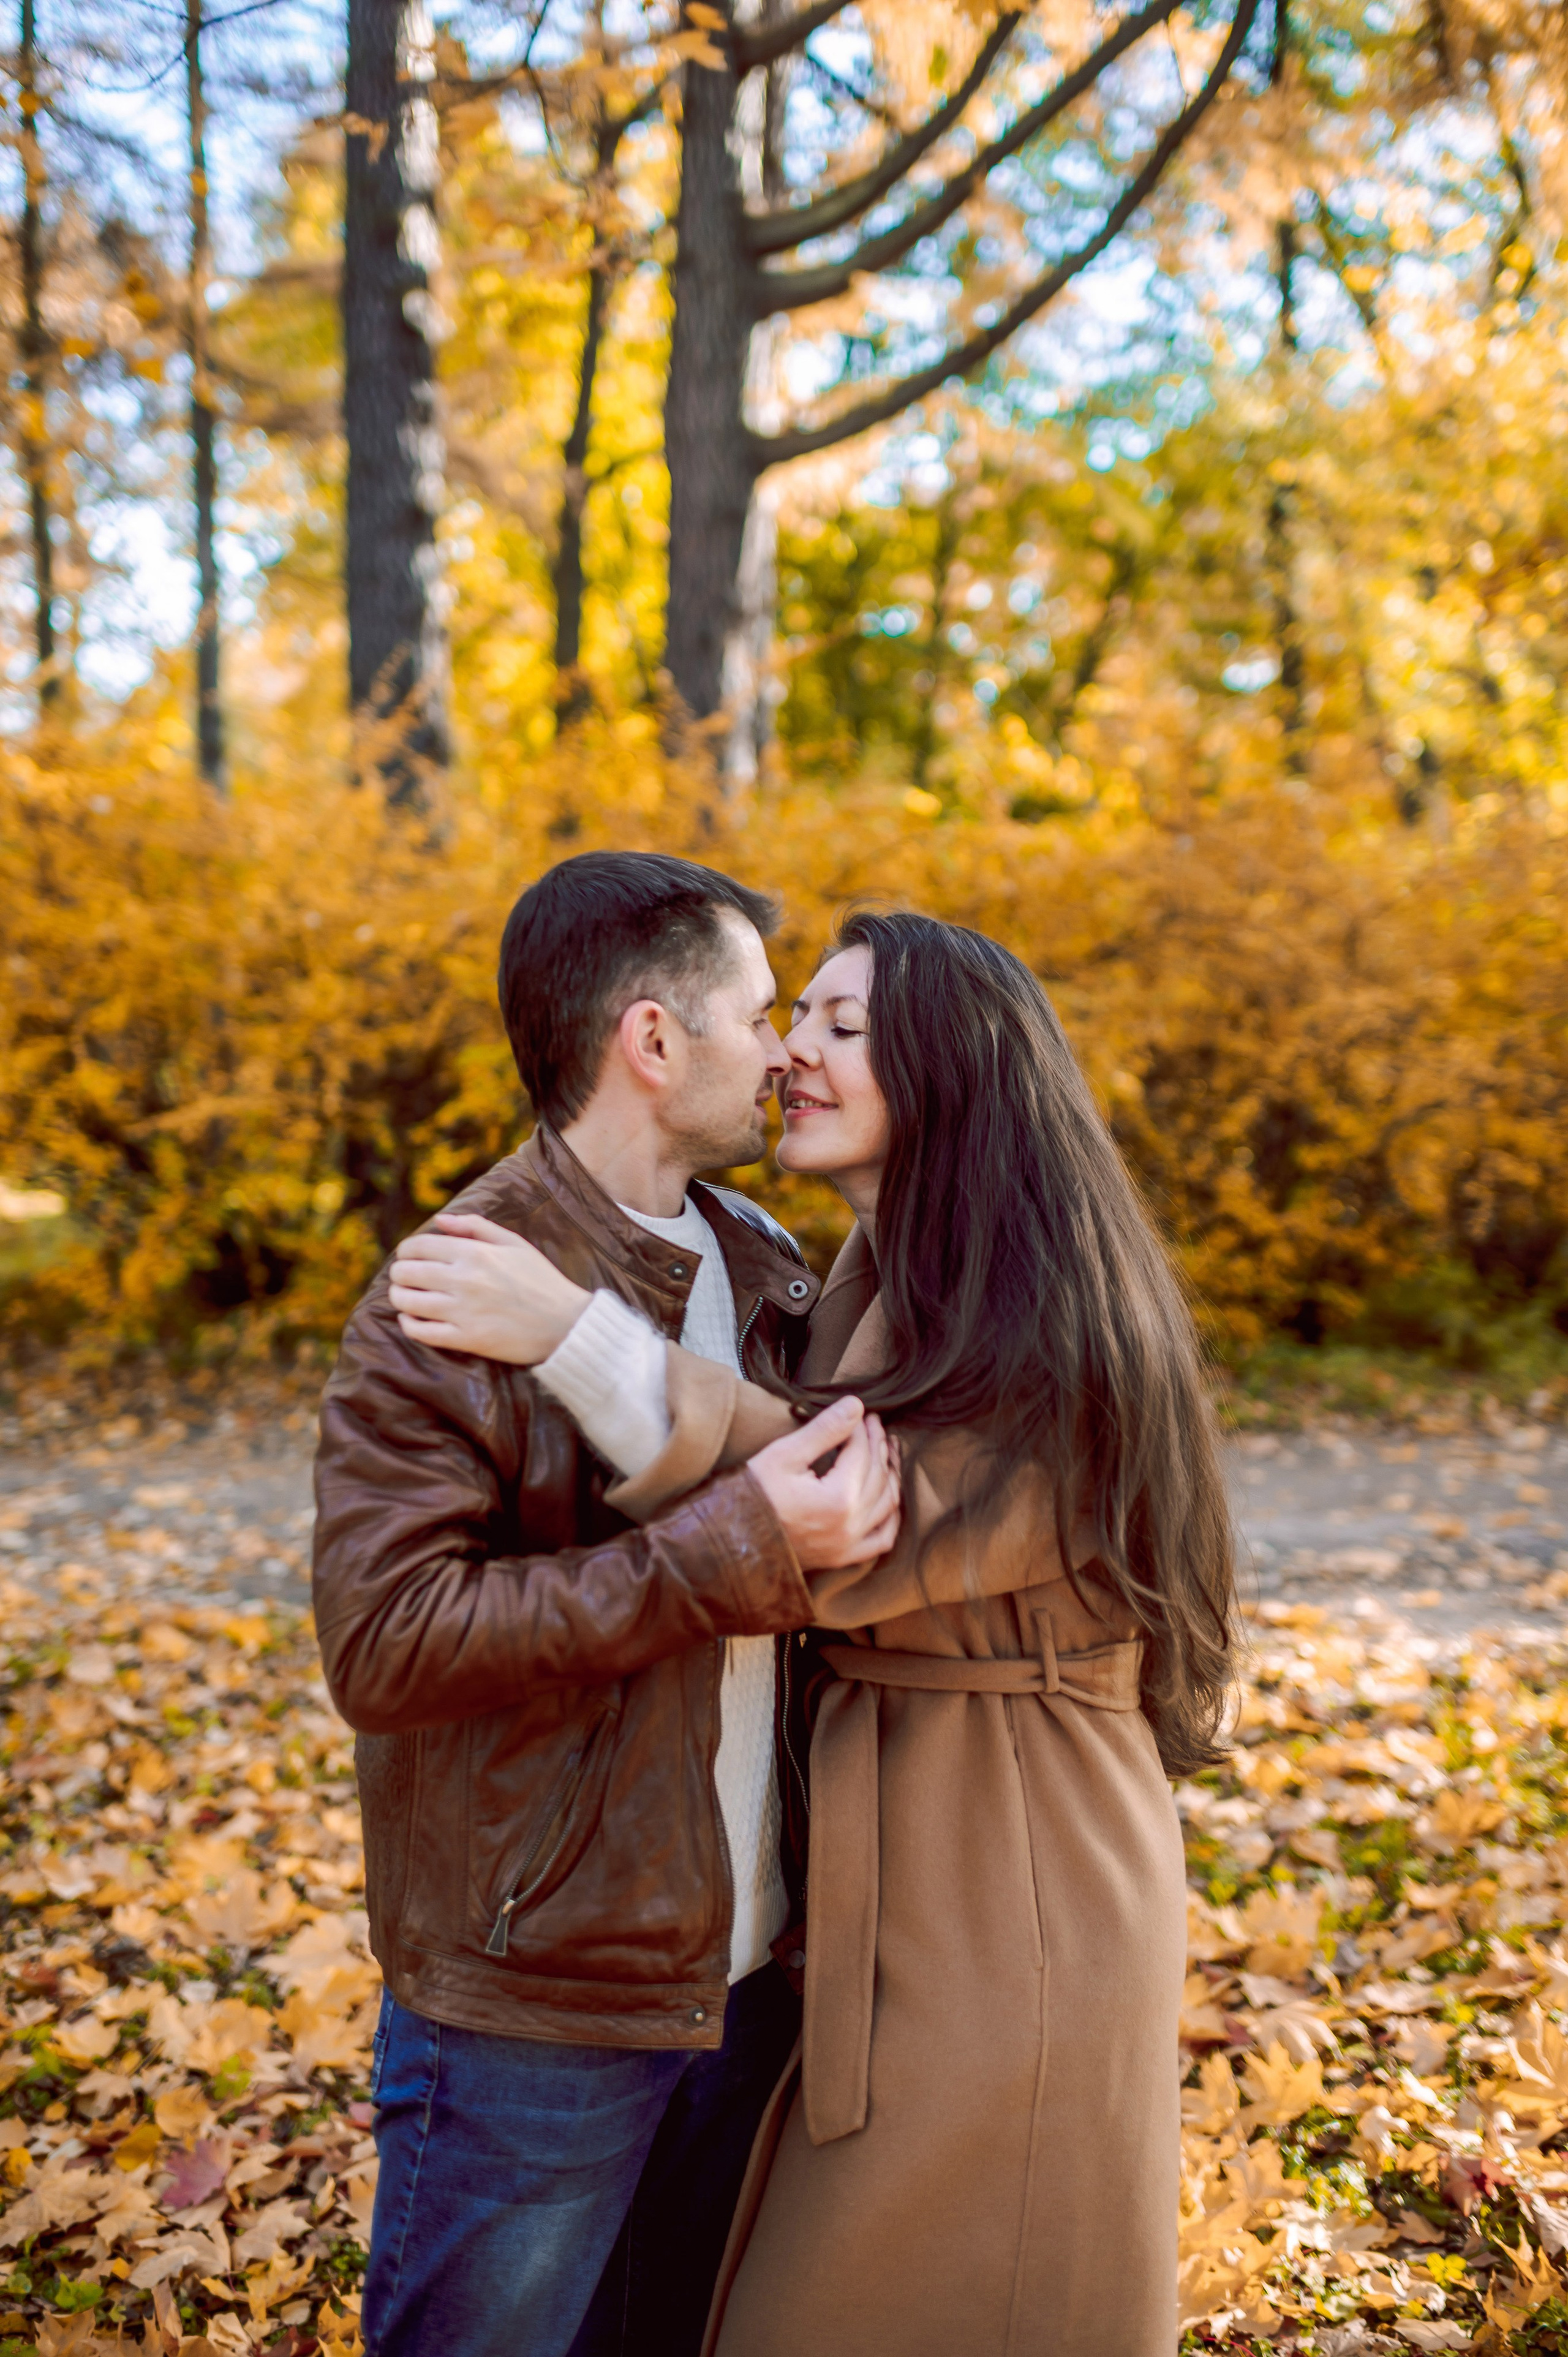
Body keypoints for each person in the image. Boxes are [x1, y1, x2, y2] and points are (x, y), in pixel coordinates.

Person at [388, 908, 1237, 2356]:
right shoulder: (855, 1269)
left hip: (1010, 1863)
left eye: (841, 1026)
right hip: (896, 1844)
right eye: (794, 1018)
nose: (791, 1053)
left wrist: (574, 1336)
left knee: (931, 2290)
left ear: (953, 1071)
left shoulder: (1051, 1318)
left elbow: (845, 1513)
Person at [311, 853, 900, 2357]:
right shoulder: (451, 1291)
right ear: (653, 1040)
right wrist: (723, 1556)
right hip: (538, 2001)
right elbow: (385, 1643)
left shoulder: (761, 1262)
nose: (783, 1053)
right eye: (759, 1014)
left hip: (746, 1977)